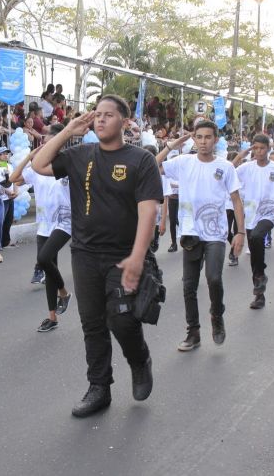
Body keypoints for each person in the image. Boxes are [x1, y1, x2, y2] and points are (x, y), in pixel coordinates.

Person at [32, 95, 163, 418]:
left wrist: (137, 256)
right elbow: (39, 164)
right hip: (85, 253)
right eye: (97, 115)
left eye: (108, 115)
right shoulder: (79, 154)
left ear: (124, 121)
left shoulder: (140, 160)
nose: (100, 120)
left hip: (123, 255)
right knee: (92, 323)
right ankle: (99, 387)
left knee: (121, 318)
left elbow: (148, 211)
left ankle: (139, 359)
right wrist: (68, 132)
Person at [156, 122, 245, 351]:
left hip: (215, 233)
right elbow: (153, 165)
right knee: (189, 286)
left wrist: (240, 232)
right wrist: (171, 145)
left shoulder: (225, 167)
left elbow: (236, 200)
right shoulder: (183, 162)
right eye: (199, 137)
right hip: (191, 233)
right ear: (194, 140)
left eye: (208, 137)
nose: (203, 141)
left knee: (214, 277)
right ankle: (193, 332)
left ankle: (217, 315)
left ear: (216, 139)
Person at [11, 127, 74, 332]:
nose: (45, 145)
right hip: (44, 224)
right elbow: (13, 178)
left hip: (64, 222)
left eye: (50, 141)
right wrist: (29, 156)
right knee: (48, 266)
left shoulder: (68, 164)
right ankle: (52, 317)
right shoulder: (37, 169)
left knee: (44, 259)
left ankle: (63, 293)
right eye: (44, 142)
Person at [234, 134, 274, 308]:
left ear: (268, 149)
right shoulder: (246, 168)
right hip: (250, 216)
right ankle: (259, 291)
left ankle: (261, 275)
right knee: (255, 254)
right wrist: (242, 154)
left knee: (257, 237)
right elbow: (229, 171)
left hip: (269, 214)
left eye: (262, 148)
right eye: (255, 148)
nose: (258, 151)